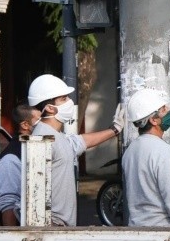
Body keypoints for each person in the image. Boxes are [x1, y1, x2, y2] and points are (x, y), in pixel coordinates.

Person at [27, 74, 124, 226]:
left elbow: (82, 141)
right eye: (63, 99)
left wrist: (115, 129)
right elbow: (34, 197)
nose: (69, 102)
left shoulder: (56, 136)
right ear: (51, 108)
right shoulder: (42, 137)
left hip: (61, 229)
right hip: (52, 230)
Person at [122, 88, 170, 227]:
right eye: (163, 109)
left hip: (136, 230)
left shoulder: (130, 151)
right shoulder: (165, 153)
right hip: (162, 236)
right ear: (154, 120)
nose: (168, 109)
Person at [0, 103, 41, 226]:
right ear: (25, 125)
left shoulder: (33, 150)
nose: (43, 124)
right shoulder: (10, 159)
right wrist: (13, 239)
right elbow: (8, 205)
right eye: (40, 120)